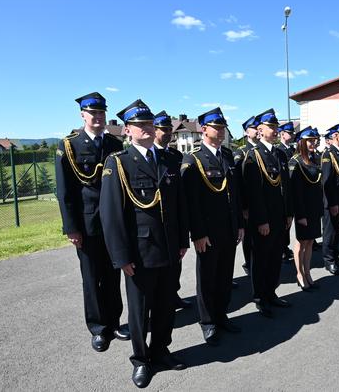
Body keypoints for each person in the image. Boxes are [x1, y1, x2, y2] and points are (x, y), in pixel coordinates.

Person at [100, 99, 189, 388]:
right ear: (128, 130)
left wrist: (182, 240)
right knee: (139, 313)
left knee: (165, 307)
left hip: (169, 248)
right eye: (141, 125)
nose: (148, 129)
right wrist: (120, 257)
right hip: (139, 253)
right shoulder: (119, 163)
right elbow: (111, 214)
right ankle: (141, 360)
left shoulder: (168, 160)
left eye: (150, 124)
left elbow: (179, 206)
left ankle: (161, 350)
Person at [55, 92, 129, 353]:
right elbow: (64, 192)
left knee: (113, 274)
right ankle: (98, 328)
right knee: (91, 277)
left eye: (102, 113)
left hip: (113, 223)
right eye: (93, 113)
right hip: (86, 225)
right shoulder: (69, 145)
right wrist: (71, 227)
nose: (98, 117)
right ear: (83, 115)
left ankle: (115, 322)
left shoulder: (114, 143)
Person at [181, 108, 244, 346]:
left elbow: (235, 194)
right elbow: (191, 202)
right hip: (207, 232)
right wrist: (197, 233)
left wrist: (239, 224)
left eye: (222, 127)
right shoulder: (193, 159)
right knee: (207, 278)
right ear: (203, 129)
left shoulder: (228, 156)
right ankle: (208, 322)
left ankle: (221, 315)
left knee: (225, 276)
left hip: (229, 228)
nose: (220, 131)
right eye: (216, 127)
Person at [242, 109, 293, 318]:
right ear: (260, 130)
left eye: (275, 126)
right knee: (261, 260)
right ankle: (260, 297)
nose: (274, 130)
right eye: (270, 127)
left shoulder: (280, 154)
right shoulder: (253, 155)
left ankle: (271, 293)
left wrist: (289, 213)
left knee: (275, 259)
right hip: (263, 219)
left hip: (280, 217)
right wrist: (261, 220)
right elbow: (253, 192)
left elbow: (286, 186)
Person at [153, 110, 192, 310]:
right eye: (163, 129)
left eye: (169, 129)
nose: (167, 133)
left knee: (175, 263)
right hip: (154, 219)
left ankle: (173, 295)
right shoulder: (149, 155)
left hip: (174, 217)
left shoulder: (176, 155)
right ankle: (159, 302)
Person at [288, 126, 323, 290]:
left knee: (310, 242)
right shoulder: (295, 162)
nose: (313, 142)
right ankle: (299, 274)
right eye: (309, 140)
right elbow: (295, 192)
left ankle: (307, 272)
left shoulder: (314, 160)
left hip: (314, 208)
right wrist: (300, 214)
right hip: (303, 210)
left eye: (314, 140)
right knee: (301, 243)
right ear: (301, 142)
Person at [320, 123, 339, 275]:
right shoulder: (328, 154)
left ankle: (336, 259)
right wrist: (332, 203)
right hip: (333, 202)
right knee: (330, 233)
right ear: (335, 136)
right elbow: (326, 182)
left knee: (338, 233)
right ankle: (329, 261)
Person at [234, 116, 259, 276]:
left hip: (261, 202)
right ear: (246, 132)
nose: (257, 130)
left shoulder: (263, 150)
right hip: (248, 204)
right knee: (249, 238)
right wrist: (243, 206)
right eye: (253, 128)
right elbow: (238, 182)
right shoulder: (241, 152)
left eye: (258, 127)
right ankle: (249, 263)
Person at [276, 121, 296, 262]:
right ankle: (282, 248)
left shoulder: (291, 150)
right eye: (290, 132)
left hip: (291, 189)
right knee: (283, 223)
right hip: (283, 191)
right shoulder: (279, 150)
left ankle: (285, 247)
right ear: (282, 134)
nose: (293, 135)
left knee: (289, 221)